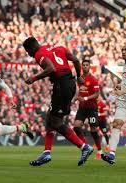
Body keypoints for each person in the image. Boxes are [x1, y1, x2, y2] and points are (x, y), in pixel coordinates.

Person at [22, 37, 93, 166]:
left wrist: (34, 78)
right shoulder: (59, 48)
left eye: (28, 51)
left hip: (62, 86)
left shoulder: (39, 54)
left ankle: (84, 147)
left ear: (31, 47)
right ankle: (46, 153)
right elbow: (76, 60)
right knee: (50, 117)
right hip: (69, 83)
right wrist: (78, 77)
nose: (29, 54)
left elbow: (51, 69)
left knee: (55, 122)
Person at [73, 60, 101, 160]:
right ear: (81, 67)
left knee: (93, 130)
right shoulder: (79, 79)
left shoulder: (93, 79)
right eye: (83, 65)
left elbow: (97, 94)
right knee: (76, 126)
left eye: (86, 65)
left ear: (89, 67)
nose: (85, 67)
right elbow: (78, 91)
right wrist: (74, 99)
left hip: (92, 107)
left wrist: (86, 98)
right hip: (82, 107)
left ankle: (100, 151)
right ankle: (86, 147)